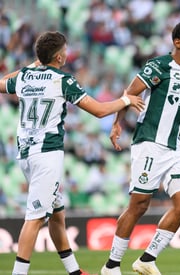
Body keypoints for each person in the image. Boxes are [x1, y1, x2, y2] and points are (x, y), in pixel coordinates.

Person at [0, 31, 145, 275]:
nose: (67, 53)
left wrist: (32, 66)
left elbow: (2, 82)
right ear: (58, 57)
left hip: (26, 153)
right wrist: (125, 100)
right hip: (47, 154)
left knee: (57, 214)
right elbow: (98, 110)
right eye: (65, 50)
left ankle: (74, 272)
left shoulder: (25, 76)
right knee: (35, 218)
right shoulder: (62, 80)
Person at [100, 21, 180, 275]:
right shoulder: (159, 66)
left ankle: (147, 259)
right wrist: (117, 123)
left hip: (173, 148)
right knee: (139, 205)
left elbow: (177, 109)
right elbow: (130, 94)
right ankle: (111, 266)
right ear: (178, 42)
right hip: (149, 144)